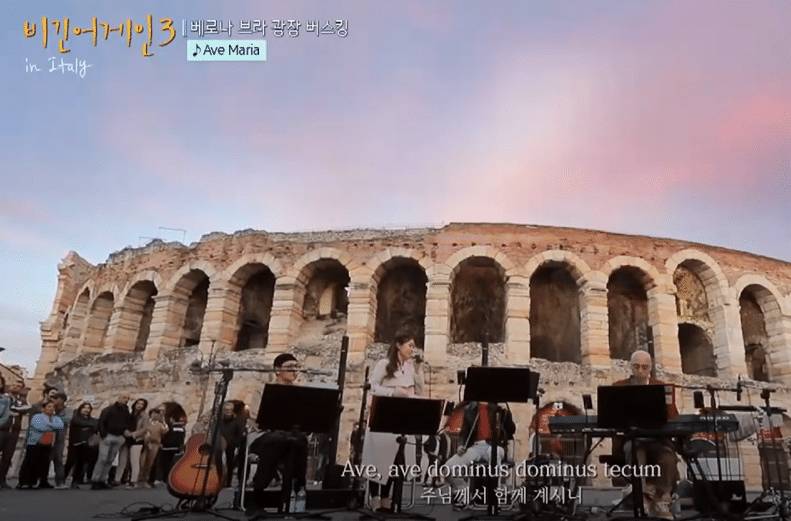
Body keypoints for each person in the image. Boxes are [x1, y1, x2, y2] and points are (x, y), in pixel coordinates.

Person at [613, 350, 680, 520]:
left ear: (650, 367)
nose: (641, 371)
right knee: (636, 452)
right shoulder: (619, 387)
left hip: (658, 440)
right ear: (631, 367)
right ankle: (642, 496)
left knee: (668, 458)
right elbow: (612, 417)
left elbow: (673, 417)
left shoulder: (662, 387)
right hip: (633, 439)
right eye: (636, 367)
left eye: (644, 367)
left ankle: (662, 500)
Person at [362, 334, 425, 512]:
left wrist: (418, 370)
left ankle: (386, 497)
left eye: (414, 346)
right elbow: (373, 386)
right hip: (384, 414)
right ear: (398, 345)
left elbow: (419, 391)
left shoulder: (411, 367)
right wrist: (392, 392)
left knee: (396, 459)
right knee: (380, 457)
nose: (412, 349)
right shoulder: (384, 364)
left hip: (403, 417)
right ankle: (374, 496)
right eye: (410, 345)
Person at [249, 353, 309, 511]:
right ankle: (258, 492)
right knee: (277, 440)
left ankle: (295, 491)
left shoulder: (300, 392)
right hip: (265, 435)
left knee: (299, 441)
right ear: (277, 370)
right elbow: (256, 416)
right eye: (290, 367)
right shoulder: (263, 390)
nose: (294, 371)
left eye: (297, 368)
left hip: (289, 436)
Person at [443, 400, 515, 507]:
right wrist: (461, 446)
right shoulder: (470, 409)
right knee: (447, 468)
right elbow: (464, 433)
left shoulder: (499, 409)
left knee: (493, 454)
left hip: (495, 445)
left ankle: (495, 495)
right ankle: (463, 492)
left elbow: (511, 430)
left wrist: (506, 413)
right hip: (475, 447)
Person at [17, 400, 64, 489]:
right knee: (31, 462)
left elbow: (60, 426)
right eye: (49, 407)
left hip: (48, 443)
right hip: (35, 442)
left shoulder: (56, 418)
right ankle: (25, 482)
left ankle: (43, 481)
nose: (51, 409)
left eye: (53, 407)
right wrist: (52, 426)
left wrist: (48, 425)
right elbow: (40, 427)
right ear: (43, 408)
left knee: (44, 463)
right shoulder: (37, 417)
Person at [91, 394, 132, 489]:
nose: (125, 400)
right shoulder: (109, 409)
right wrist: (103, 434)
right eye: (124, 397)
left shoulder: (126, 411)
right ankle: (95, 480)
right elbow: (101, 422)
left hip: (119, 437)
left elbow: (127, 422)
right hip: (108, 435)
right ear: (118, 398)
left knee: (110, 460)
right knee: (102, 458)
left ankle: (102, 480)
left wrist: (124, 433)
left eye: (127, 398)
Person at [0, 379, 30, 488]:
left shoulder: (22, 400)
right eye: (14, 384)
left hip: (14, 431)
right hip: (2, 429)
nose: (15, 387)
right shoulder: (3, 397)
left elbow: (27, 408)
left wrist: (16, 408)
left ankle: (2, 480)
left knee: (7, 457)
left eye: (18, 386)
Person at [64, 402, 99, 488]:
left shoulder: (91, 419)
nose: (86, 410)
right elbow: (80, 423)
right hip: (75, 444)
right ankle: (62, 479)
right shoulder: (75, 418)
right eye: (84, 408)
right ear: (80, 409)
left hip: (86, 445)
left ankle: (75, 481)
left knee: (80, 463)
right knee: (70, 462)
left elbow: (96, 426)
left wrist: (90, 426)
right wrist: (90, 425)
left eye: (88, 408)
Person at [118, 398, 148, 487]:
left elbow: (145, 428)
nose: (139, 405)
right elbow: (125, 424)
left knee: (134, 461)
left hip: (137, 440)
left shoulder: (144, 416)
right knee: (122, 460)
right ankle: (118, 479)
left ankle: (133, 481)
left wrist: (134, 434)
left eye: (142, 404)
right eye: (138, 403)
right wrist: (126, 432)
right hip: (127, 439)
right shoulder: (130, 414)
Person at [139, 407, 168, 488]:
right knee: (141, 462)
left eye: (157, 414)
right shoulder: (146, 422)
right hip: (144, 443)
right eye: (153, 413)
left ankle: (145, 480)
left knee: (150, 463)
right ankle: (138, 479)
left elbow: (165, 430)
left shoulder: (160, 424)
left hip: (155, 444)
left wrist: (163, 421)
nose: (155, 415)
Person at [49, 391, 72, 489]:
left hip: (59, 439)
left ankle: (60, 482)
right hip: (48, 438)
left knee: (58, 459)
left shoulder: (68, 410)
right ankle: (42, 481)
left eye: (56, 398)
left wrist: (53, 417)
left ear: (62, 400)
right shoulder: (49, 408)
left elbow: (67, 419)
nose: (53, 400)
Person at [219, 401, 244, 487]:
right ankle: (219, 480)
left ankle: (228, 482)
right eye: (226, 410)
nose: (227, 411)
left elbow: (239, 434)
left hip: (231, 446)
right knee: (218, 463)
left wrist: (236, 444)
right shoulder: (219, 420)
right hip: (219, 445)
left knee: (229, 464)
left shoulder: (236, 421)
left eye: (229, 410)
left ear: (232, 410)